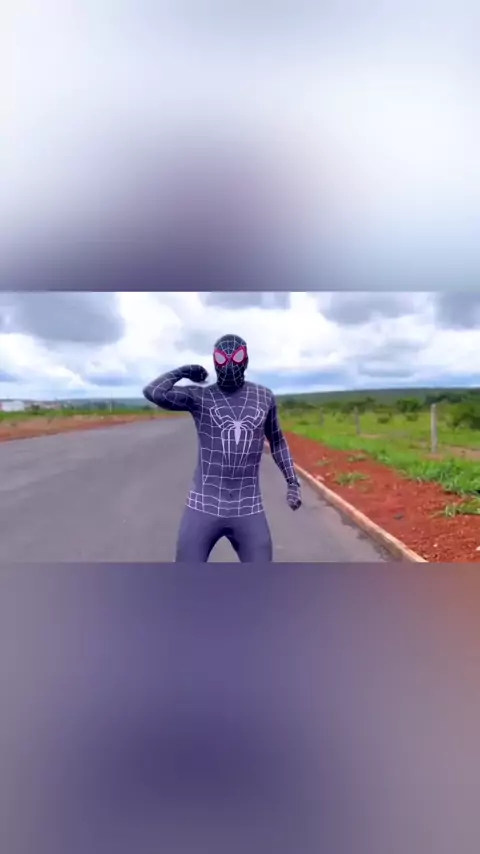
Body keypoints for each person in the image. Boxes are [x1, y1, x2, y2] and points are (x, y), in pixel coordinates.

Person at [143, 333, 301, 562]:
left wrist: (293, 482)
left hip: (248, 506)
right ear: (214, 360)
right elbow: (153, 392)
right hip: (203, 504)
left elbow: (277, 441)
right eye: (221, 357)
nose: (228, 364)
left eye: (236, 357)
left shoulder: (264, 397)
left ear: (245, 360)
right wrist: (185, 371)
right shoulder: (201, 397)